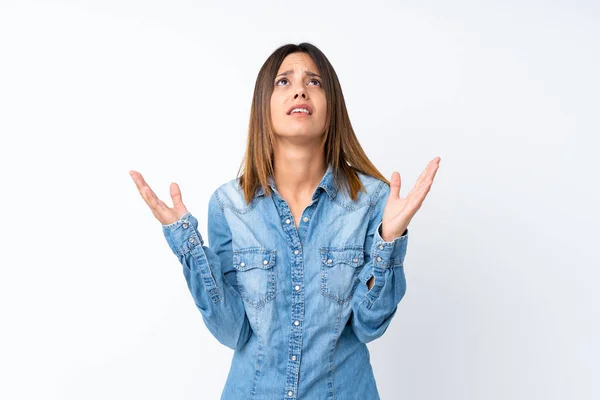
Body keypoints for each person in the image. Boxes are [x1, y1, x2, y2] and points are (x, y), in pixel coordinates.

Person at [129, 42, 440, 400]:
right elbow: (231, 332)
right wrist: (188, 246)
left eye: (314, 82)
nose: (299, 89)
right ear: (264, 106)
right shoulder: (229, 205)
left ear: (331, 107)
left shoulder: (371, 201)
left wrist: (390, 239)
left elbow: (370, 326)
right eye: (283, 82)